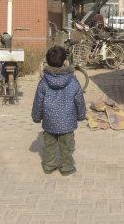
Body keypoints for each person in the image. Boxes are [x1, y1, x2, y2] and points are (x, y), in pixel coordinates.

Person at [32, 46, 86, 176]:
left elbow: (38, 101)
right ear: (65, 62)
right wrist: (81, 115)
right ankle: (66, 167)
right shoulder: (73, 81)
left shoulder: (44, 81)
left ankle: (49, 166)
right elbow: (79, 100)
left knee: (50, 146)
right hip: (67, 121)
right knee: (67, 146)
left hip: (50, 121)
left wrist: (36, 116)